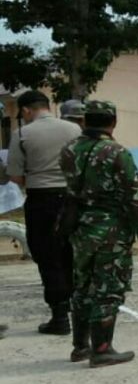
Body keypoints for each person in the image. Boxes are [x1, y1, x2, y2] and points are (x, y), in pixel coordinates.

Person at [61, 100, 138, 367]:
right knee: (108, 288)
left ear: (85, 121)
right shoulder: (116, 152)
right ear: (113, 121)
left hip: (79, 228)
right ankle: (102, 349)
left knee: (82, 286)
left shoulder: (68, 150)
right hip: (110, 230)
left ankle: (80, 346)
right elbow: (133, 198)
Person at [7, 90, 82, 335]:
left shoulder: (21, 134)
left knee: (47, 256)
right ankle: (76, 308)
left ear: (27, 110)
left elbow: (16, 177)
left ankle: (59, 317)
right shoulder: (74, 130)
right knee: (70, 252)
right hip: (72, 198)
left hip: (41, 200)